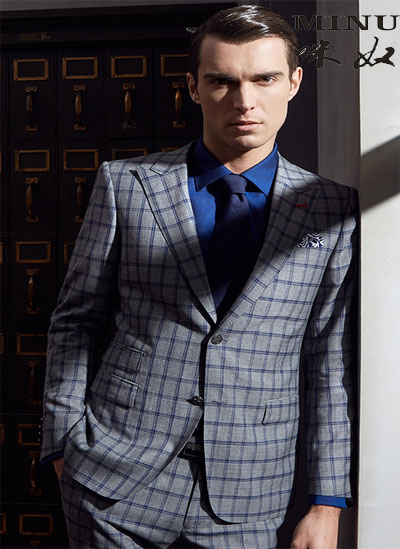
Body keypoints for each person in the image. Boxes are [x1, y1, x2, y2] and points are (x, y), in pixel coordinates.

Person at [40, 5, 358, 549]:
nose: (244, 101)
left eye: (264, 79)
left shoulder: (333, 208)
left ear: (293, 83)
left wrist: (326, 503)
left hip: (249, 495)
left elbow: (329, 361)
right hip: (112, 480)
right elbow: (76, 320)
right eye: (222, 81)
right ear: (193, 87)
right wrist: (62, 443)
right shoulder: (127, 184)